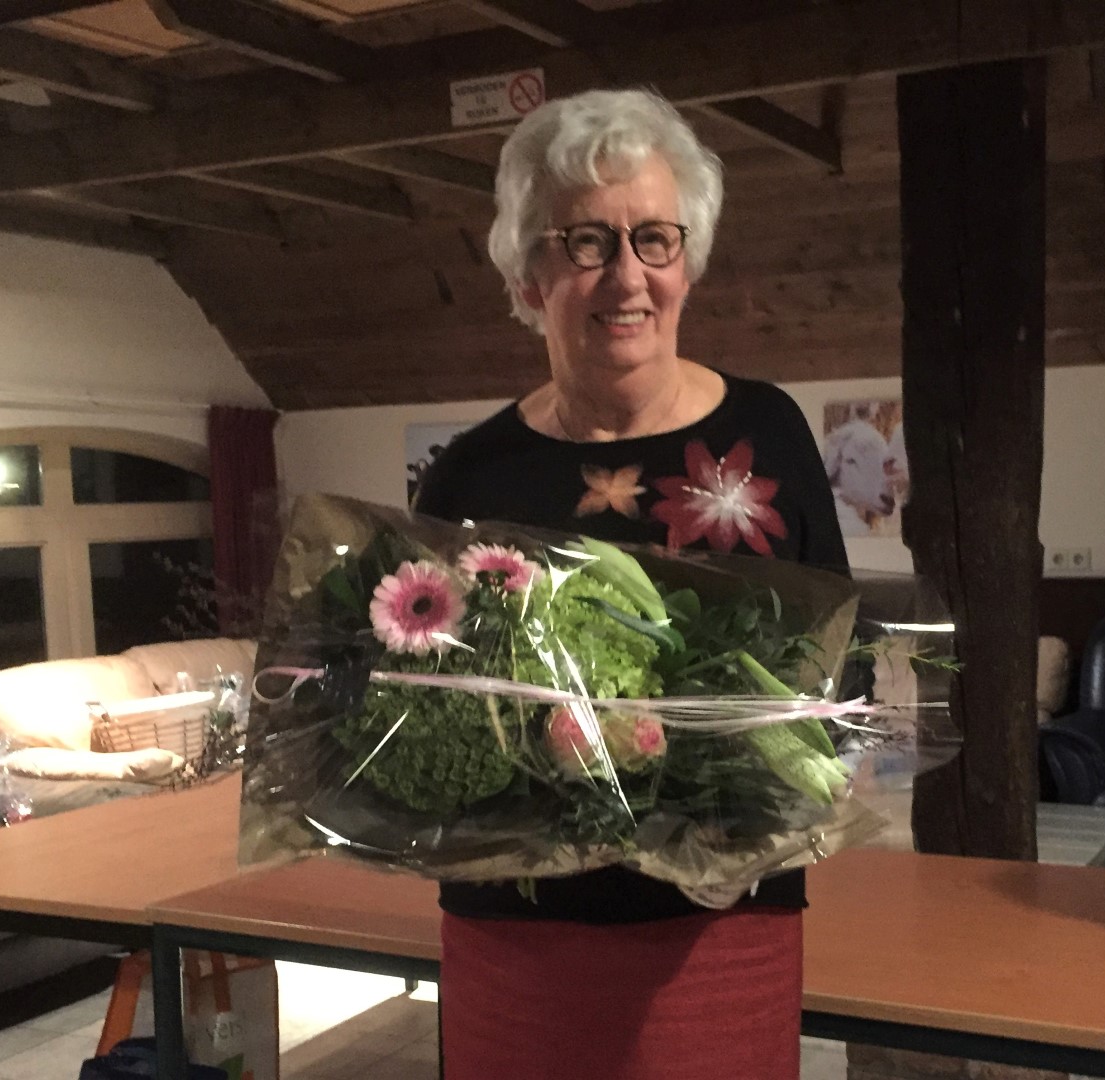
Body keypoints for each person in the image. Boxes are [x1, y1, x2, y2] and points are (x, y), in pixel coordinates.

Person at [414, 88, 849, 1080]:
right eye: (586, 242)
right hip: (517, 934)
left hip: (719, 928)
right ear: (528, 274)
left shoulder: (768, 434)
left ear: (687, 260)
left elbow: (830, 668)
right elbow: (427, 709)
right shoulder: (470, 479)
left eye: (654, 238)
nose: (627, 276)